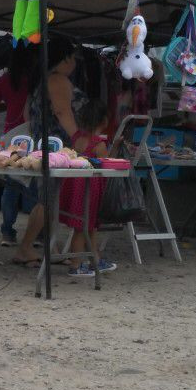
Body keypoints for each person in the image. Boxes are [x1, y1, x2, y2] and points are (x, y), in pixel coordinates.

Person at [12, 36, 84, 267]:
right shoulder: (58, 80)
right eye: (73, 58)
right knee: (48, 199)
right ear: (64, 59)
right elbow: (64, 113)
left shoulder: (40, 81)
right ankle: (25, 247)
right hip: (58, 147)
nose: (75, 63)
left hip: (43, 145)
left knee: (49, 199)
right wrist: (79, 141)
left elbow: (26, 114)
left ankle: (48, 248)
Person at [0, 43, 38, 245]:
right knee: (33, 184)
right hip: (32, 136)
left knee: (11, 186)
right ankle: (35, 235)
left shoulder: (3, 81)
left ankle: (7, 232)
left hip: (10, 137)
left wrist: (7, 106)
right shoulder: (35, 81)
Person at [59, 100, 116, 276]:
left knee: (88, 226)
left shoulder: (76, 139)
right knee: (82, 227)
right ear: (104, 121)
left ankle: (95, 260)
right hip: (90, 190)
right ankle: (76, 265)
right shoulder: (99, 144)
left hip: (75, 188)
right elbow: (106, 165)